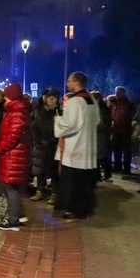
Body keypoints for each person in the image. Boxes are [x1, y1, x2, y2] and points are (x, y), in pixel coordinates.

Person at [54, 72, 100, 220]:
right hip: (88, 147)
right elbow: (97, 121)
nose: (67, 84)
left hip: (75, 148)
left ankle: (74, 210)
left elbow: (69, 124)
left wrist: (58, 119)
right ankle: (84, 210)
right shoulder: (92, 100)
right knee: (84, 183)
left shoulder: (75, 102)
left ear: (76, 82)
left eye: (69, 81)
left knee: (73, 183)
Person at [0, 83, 33, 231]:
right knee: (9, 186)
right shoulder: (15, 111)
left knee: (10, 187)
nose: (4, 99)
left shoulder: (17, 113)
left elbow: (12, 137)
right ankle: (19, 214)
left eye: (6, 96)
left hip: (14, 156)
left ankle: (13, 220)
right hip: (12, 155)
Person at [31, 89, 61, 202]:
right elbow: (34, 127)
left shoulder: (59, 112)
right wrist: (38, 140)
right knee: (40, 171)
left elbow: (61, 129)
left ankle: (55, 193)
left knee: (53, 171)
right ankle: (39, 191)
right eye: (49, 97)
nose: (51, 100)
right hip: (40, 146)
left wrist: (52, 140)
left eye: (54, 97)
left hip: (53, 146)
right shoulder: (41, 111)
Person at [111, 86, 136, 175]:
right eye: (116, 92)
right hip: (116, 130)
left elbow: (131, 116)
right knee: (117, 149)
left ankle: (126, 168)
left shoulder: (128, 104)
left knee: (126, 150)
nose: (117, 94)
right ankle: (117, 166)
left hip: (125, 130)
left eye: (119, 92)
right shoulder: (115, 103)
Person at [92, 91, 113, 182]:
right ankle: (98, 175)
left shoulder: (102, 109)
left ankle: (104, 174)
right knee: (98, 156)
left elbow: (102, 123)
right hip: (98, 135)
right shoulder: (98, 108)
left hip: (100, 135)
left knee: (101, 156)